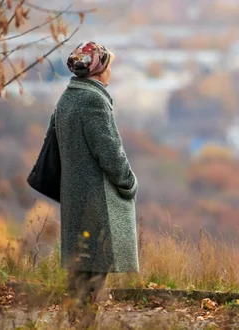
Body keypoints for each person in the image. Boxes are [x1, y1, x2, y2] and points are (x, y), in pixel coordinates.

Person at [53, 41, 139, 324]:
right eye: (109, 65)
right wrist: (128, 183)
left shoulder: (68, 97)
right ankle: (82, 324)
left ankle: (77, 323)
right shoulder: (93, 101)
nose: (111, 71)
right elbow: (110, 151)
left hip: (75, 196)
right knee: (93, 273)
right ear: (99, 69)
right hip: (96, 199)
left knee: (80, 271)